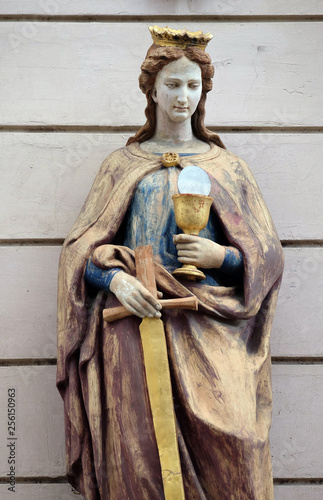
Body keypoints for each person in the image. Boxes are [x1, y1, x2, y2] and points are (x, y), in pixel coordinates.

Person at [57, 26, 284, 499]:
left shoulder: (228, 167)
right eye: (174, 84)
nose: (184, 96)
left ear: (204, 94)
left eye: (193, 86)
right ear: (153, 90)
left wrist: (222, 256)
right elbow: (82, 254)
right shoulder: (122, 165)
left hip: (212, 326)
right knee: (140, 465)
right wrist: (117, 281)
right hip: (138, 330)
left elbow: (266, 257)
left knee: (238, 453)